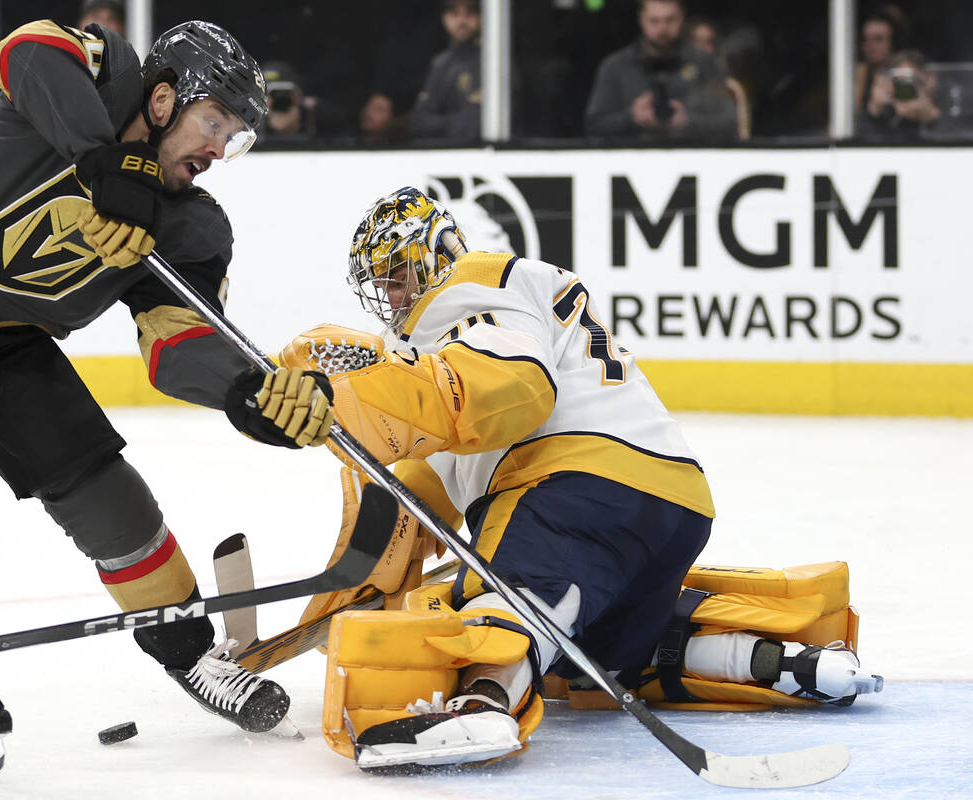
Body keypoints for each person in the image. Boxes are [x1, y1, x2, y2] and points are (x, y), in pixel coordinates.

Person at [0, 19, 335, 776]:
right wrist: (102, 162)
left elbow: (177, 345)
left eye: (235, 138)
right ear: (160, 98)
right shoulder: (100, 72)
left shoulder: (189, 225)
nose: (219, 150)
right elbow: (24, 50)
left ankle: (190, 654)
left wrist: (249, 392)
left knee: (106, 490)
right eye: (214, 123)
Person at [280, 187, 882, 769]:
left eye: (399, 271)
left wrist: (364, 389)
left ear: (439, 251)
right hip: (672, 501)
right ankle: (780, 662)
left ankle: (482, 704)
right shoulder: (448, 344)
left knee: (512, 598)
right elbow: (413, 502)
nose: (393, 291)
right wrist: (343, 599)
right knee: (597, 656)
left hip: (573, 482)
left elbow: (511, 387)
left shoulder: (472, 286)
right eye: (380, 281)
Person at [584, 0, 737, 143]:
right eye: (654, 21)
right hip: (632, 161)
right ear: (641, 19)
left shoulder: (705, 64)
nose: (662, 29)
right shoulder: (616, 67)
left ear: (682, 17)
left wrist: (688, 122)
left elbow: (729, 123)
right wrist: (632, 117)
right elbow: (594, 126)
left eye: (670, 20)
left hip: (692, 159)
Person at [408, 0, 482, 142]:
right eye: (454, 13)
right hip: (443, 155)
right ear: (444, 18)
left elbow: (474, 126)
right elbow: (419, 122)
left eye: (470, 12)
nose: (462, 20)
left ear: (482, 17)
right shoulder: (440, 63)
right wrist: (453, 122)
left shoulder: (493, 64)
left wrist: (439, 122)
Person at [685, 15, 750, 140]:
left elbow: (731, 123)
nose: (702, 49)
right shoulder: (672, 78)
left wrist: (686, 121)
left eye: (708, 42)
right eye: (697, 42)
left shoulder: (728, 86)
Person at [859, 48, 940, 140]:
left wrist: (931, 117)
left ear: (928, 81)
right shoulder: (887, 116)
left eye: (911, 80)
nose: (905, 88)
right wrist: (874, 112)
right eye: (900, 81)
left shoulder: (939, 110)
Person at [854, 13, 898, 117]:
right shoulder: (855, 76)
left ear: (892, 43)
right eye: (865, 39)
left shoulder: (903, 73)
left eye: (878, 39)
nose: (870, 46)